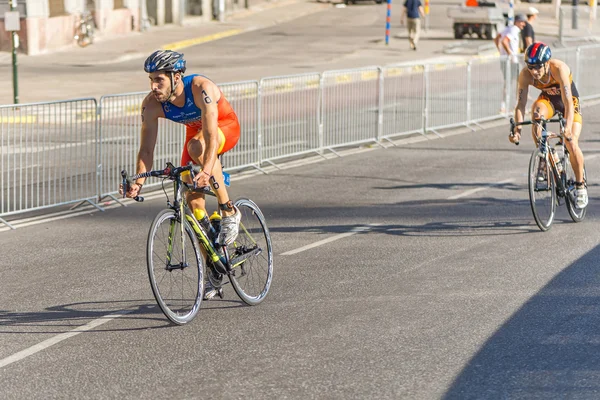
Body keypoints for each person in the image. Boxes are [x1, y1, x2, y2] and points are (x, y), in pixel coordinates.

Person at [122, 50, 243, 295]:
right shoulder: (152, 104)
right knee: (194, 205)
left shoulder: (201, 88)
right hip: (195, 136)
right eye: (151, 80)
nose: (154, 86)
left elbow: (210, 136)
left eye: (160, 80)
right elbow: (146, 149)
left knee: (197, 148)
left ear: (176, 76)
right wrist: (138, 180)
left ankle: (229, 210)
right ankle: (214, 266)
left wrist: (207, 170)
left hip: (223, 127)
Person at [510, 42, 588, 208]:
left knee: (571, 141)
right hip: (549, 101)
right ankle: (545, 156)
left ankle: (580, 186)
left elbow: (568, 103)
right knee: (536, 113)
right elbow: (520, 105)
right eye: (530, 67)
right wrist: (517, 130)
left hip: (569, 101)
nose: (534, 71)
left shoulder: (558, 69)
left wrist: (566, 128)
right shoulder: (525, 75)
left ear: (546, 63)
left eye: (538, 67)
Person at [495, 14, 528, 113]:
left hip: (505, 60)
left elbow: (497, 38)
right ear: (517, 21)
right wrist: (510, 54)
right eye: (522, 22)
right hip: (513, 61)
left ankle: (503, 106)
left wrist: (501, 52)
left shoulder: (507, 28)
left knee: (508, 83)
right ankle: (517, 105)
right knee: (519, 83)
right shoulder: (514, 30)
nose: (523, 24)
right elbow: (505, 41)